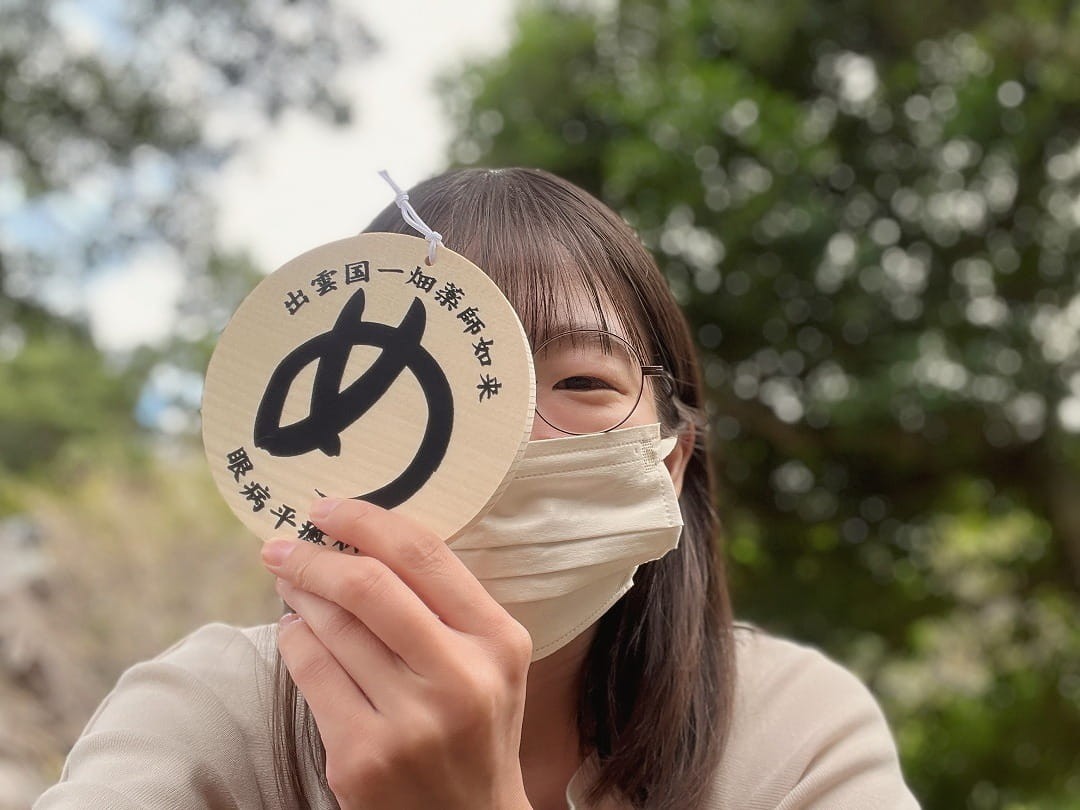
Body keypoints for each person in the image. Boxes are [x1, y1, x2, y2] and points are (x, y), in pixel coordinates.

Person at [36, 168, 920, 809]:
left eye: (582, 386)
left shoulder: (794, 738)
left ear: (674, 460)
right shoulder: (212, 716)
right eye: (441, 392)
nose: (507, 448)